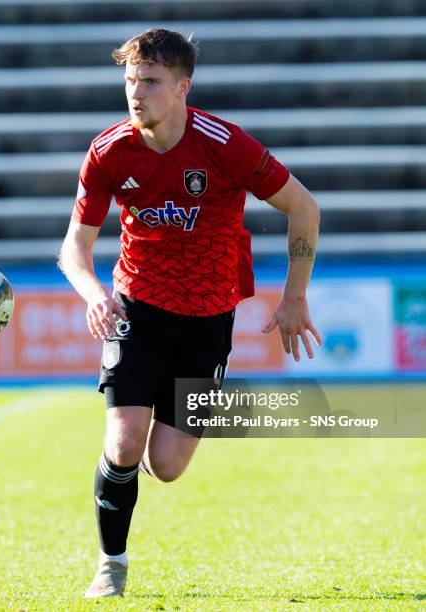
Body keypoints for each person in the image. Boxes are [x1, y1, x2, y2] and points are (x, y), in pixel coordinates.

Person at [59, 28, 322, 598]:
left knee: (168, 465)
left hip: (207, 319)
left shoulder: (225, 145)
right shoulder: (108, 151)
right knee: (124, 442)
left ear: (182, 87)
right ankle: (112, 564)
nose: (136, 93)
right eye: (130, 81)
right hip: (136, 308)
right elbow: (73, 247)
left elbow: (303, 207)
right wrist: (94, 293)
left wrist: (294, 297)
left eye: (150, 82)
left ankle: (155, 442)